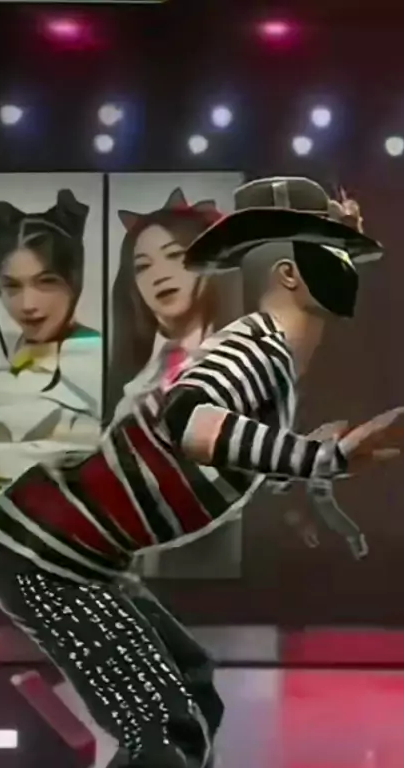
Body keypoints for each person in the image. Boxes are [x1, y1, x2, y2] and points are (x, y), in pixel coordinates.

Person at [0, 176, 404, 768]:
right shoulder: (256, 349)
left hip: (84, 558)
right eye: (335, 256)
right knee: (163, 730)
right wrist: (321, 457)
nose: (349, 270)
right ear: (291, 274)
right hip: (50, 558)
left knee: (190, 691)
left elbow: (220, 457)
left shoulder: (273, 361)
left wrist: (302, 463)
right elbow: (190, 420)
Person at [108, 187, 244, 579]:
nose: (160, 275)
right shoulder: (140, 377)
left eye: (175, 256)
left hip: (218, 566)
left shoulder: (241, 360)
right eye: (143, 266)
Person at [0, 189, 102, 496]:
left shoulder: (101, 360)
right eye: (12, 287)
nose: (27, 304)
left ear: (73, 281)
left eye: (46, 282)